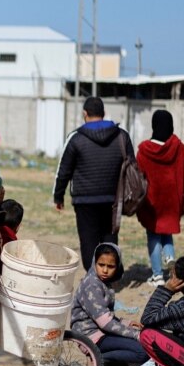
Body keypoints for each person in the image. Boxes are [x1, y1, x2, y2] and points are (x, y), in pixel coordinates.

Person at [53, 96, 133, 270]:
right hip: (113, 198)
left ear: (84, 114)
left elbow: (63, 170)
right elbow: (131, 167)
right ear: (103, 114)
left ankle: (92, 277)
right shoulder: (122, 136)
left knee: (88, 240)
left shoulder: (75, 138)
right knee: (110, 238)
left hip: (84, 201)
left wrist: (58, 196)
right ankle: (108, 277)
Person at [70, 243, 159, 366]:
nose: (105, 270)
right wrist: (135, 334)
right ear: (94, 262)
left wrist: (127, 323)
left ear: (117, 266)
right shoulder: (92, 285)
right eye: (101, 265)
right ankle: (97, 360)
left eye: (110, 266)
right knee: (141, 351)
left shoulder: (103, 283)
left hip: (101, 332)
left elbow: (106, 316)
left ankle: (106, 361)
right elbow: (105, 323)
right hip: (90, 337)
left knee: (138, 346)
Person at [136, 110, 184, 284]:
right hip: (172, 201)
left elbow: (138, 179)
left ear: (153, 126)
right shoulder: (180, 149)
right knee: (166, 232)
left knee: (153, 235)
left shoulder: (143, 152)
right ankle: (169, 257)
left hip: (151, 202)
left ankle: (157, 275)